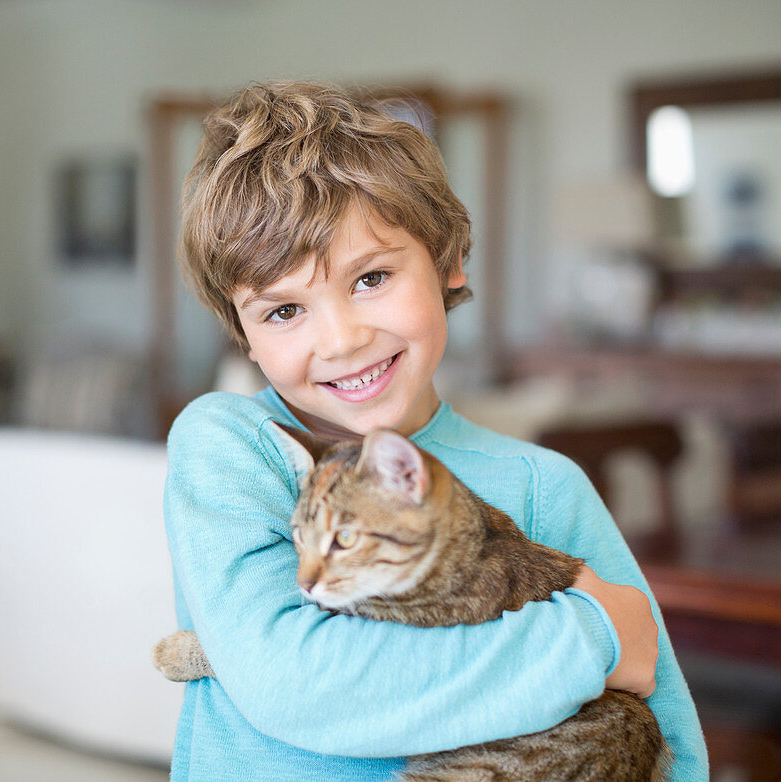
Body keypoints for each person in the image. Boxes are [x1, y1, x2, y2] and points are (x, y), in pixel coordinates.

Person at [163, 79, 707, 781]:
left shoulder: (544, 486)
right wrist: (594, 639)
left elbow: (676, 752)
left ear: (449, 260)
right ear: (244, 334)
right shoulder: (234, 442)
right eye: (283, 311)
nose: (342, 338)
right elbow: (288, 681)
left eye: (370, 278)